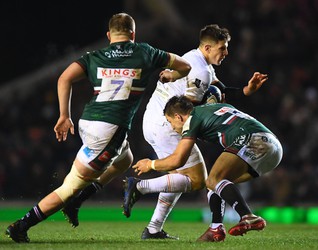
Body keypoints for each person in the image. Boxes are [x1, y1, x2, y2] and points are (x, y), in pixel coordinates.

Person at [5, 12, 191, 243]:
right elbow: (185, 66)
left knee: (125, 159)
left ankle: (79, 199)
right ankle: (22, 225)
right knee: (69, 187)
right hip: (110, 131)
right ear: (133, 34)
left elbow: (64, 78)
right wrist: (171, 75)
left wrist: (64, 116)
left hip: (88, 121)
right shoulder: (146, 52)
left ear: (108, 35)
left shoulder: (95, 56)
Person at [122, 24, 268, 240]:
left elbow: (219, 92)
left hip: (156, 121)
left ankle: (153, 229)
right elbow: (188, 108)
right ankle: (140, 186)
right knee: (198, 179)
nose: (226, 53)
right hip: (169, 123)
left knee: (179, 176)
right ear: (208, 47)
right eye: (222, 48)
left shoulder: (200, 62)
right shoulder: (199, 71)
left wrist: (246, 90)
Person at [132, 95, 283, 241]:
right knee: (215, 183)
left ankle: (248, 216)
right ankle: (215, 229)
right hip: (274, 148)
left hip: (253, 140)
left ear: (178, 117)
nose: (172, 127)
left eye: (170, 122)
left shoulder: (191, 120)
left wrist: (151, 164)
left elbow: (178, 160)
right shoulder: (218, 107)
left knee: (214, 179)